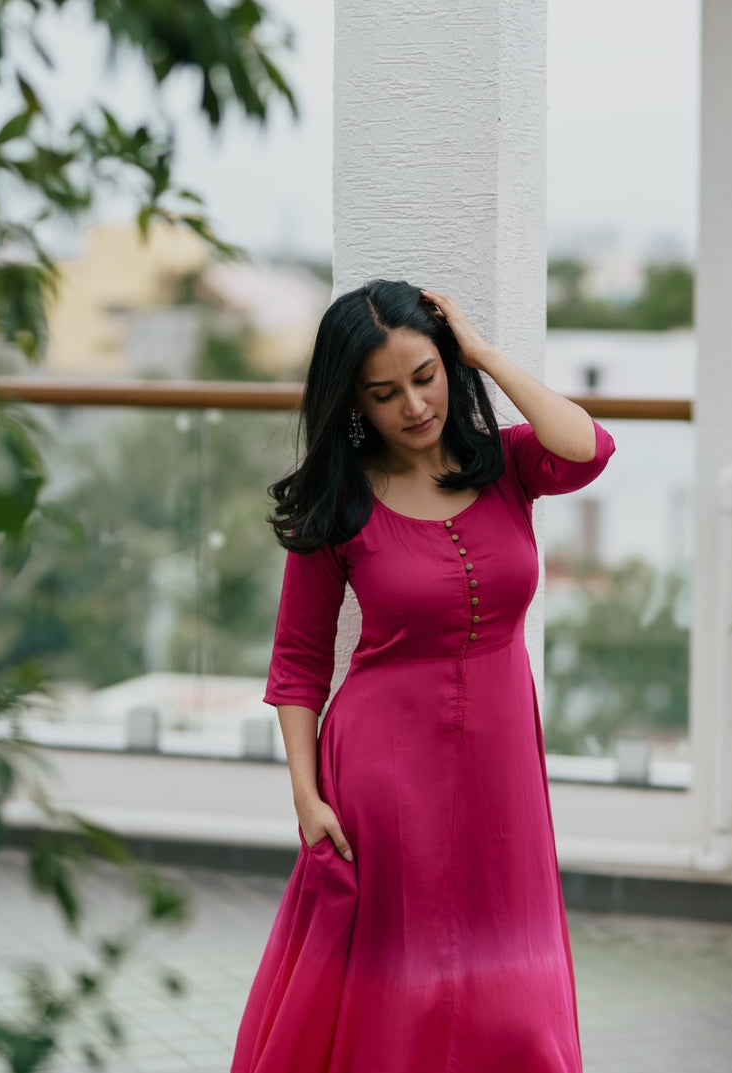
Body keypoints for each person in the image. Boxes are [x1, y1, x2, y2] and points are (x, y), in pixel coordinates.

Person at [231, 280, 615, 1073]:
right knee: (402, 974)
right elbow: (299, 665)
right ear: (353, 403)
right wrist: (306, 796)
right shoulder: (338, 502)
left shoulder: (508, 464)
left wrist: (484, 352)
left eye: (426, 375)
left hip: (502, 765)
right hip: (383, 769)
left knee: (510, 974)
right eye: (384, 392)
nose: (412, 404)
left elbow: (587, 448)